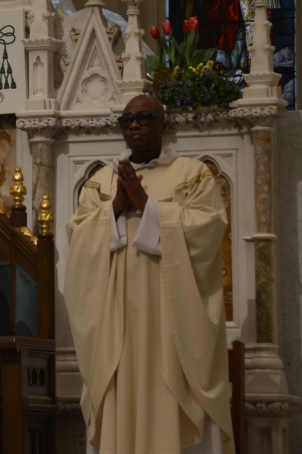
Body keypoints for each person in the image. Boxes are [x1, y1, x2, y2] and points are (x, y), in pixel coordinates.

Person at [64, 95, 234, 454]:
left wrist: (146, 204)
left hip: (171, 322)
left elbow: (208, 230)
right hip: (117, 325)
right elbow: (79, 240)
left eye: (144, 118)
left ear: (165, 125)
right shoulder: (101, 181)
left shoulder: (193, 174)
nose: (135, 126)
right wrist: (115, 207)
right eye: (126, 121)